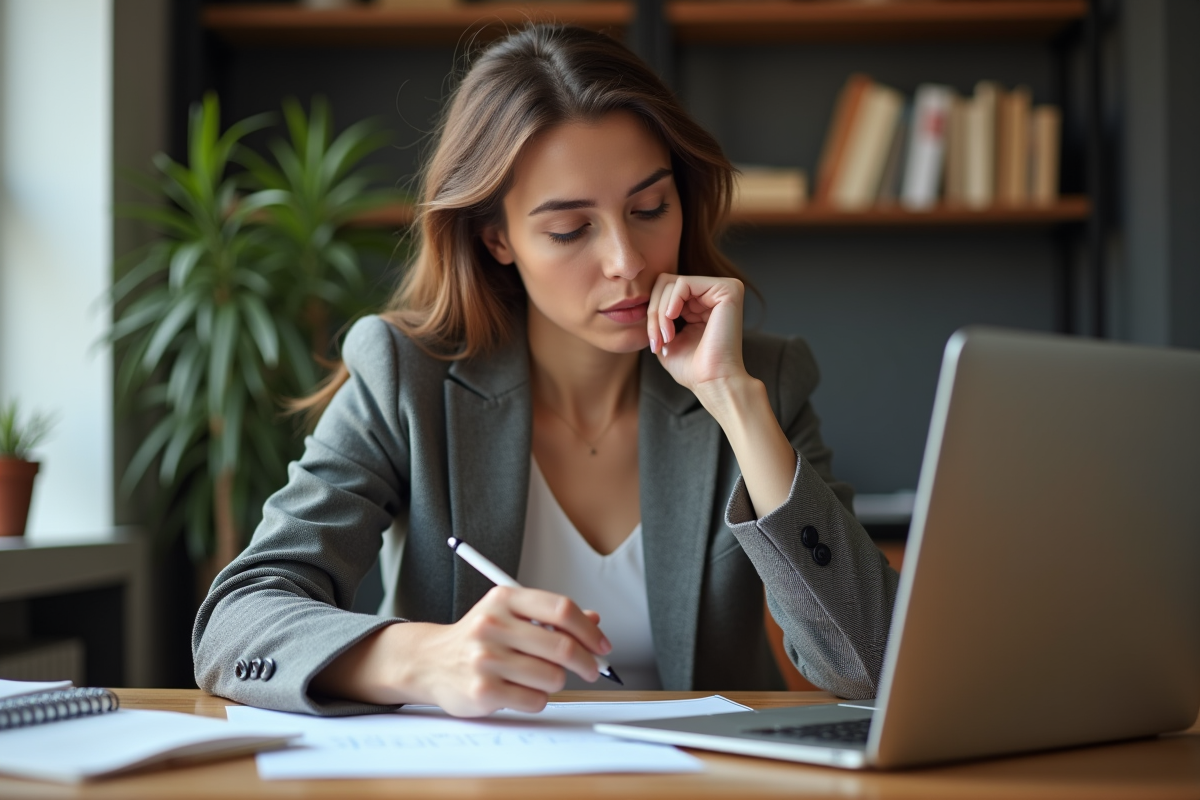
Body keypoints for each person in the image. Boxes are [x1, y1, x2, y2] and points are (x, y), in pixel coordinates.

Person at [192, 24, 899, 718]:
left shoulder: (762, 381)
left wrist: (735, 404)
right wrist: (425, 660)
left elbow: (874, 665)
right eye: (570, 229)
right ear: (496, 236)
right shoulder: (406, 377)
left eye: (650, 207)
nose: (627, 259)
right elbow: (236, 624)